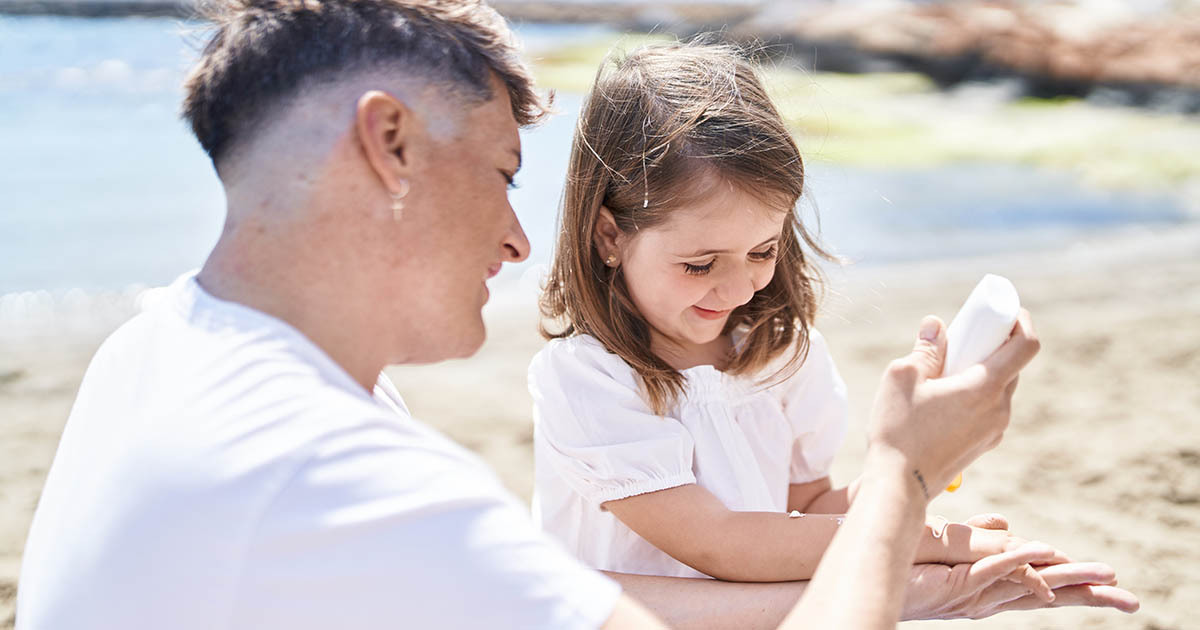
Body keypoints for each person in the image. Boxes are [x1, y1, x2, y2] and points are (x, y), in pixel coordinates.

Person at [15, 0, 1138, 628]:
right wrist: (900, 481)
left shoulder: (160, 347)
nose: (518, 238)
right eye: (504, 173)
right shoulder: (332, 472)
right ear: (388, 144)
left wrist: (906, 566)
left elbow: (598, 596)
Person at [529, 41, 1076, 588]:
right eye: (699, 264)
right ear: (609, 235)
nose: (739, 287)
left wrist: (926, 464)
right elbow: (719, 544)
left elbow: (809, 508)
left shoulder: (784, 354)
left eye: (762, 252)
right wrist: (927, 537)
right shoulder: (586, 379)